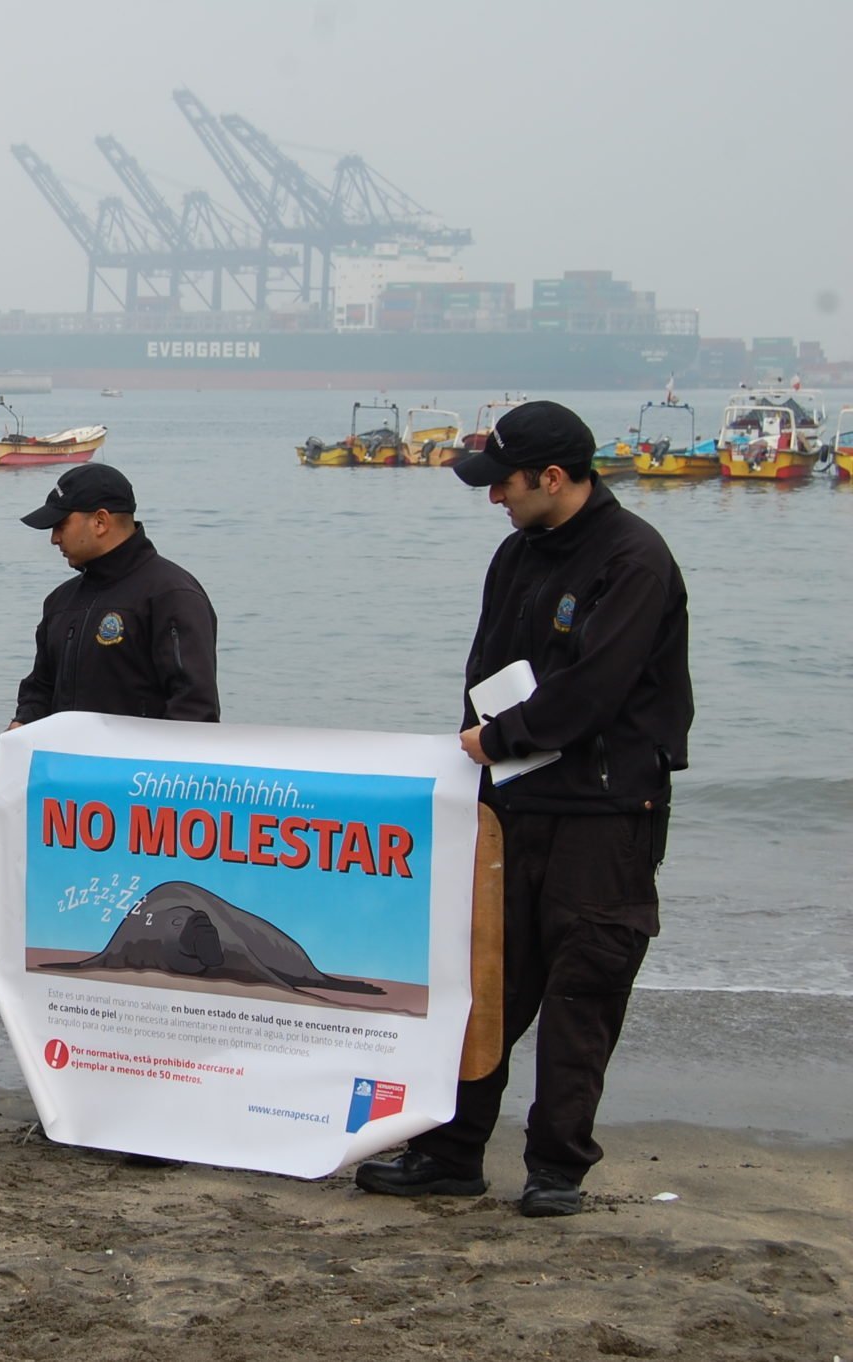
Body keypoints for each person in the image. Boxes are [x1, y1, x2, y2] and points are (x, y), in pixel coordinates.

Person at [353, 399, 692, 1218]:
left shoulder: (634, 559)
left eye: (502, 482)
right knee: (481, 989)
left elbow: (598, 689)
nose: (493, 497)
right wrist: (471, 763)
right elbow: (483, 671)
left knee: (584, 989)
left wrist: (503, 738)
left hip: (605, 811)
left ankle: (557, 1168)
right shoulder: (515, 556)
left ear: (552, 476)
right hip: (511, 806)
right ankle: (450, 1151)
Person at [11, 462, 220, 730]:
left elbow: (194, 709)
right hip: (66, 766)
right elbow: (40, 686)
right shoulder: (60, 601)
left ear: (100, 521)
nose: (54, 538)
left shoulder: (171, 595)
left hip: (139, 768)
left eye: (60, 525)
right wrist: (23, 722)